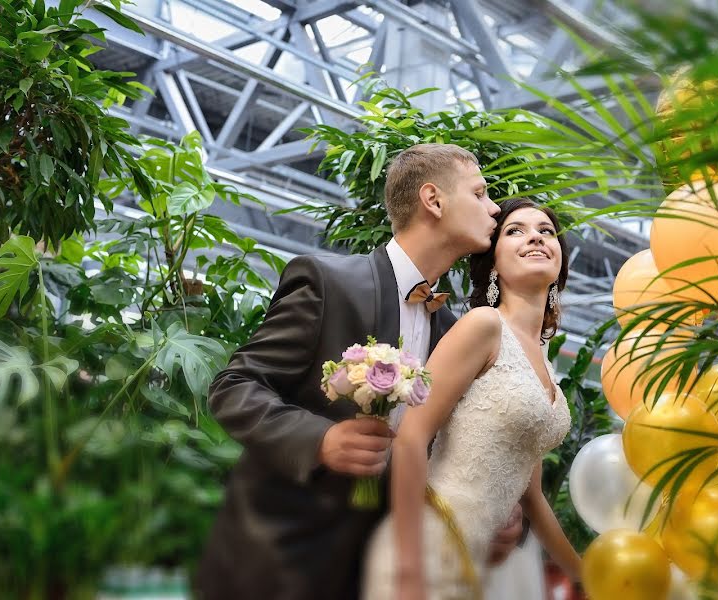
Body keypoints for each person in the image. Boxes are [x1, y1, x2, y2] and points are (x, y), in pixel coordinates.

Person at [195, 143, 512, 600]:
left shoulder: (454, 332)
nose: (494, 208)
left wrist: (490, 513)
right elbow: (235, 386)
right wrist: (320, 440)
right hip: (286, 558)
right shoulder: (328, 282)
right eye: (480, 193)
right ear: (433, 200)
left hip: (384, 568)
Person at [361, 198, 583, 600]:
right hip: (429, 549)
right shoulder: (483, 326)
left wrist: (585, 575)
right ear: (494, 264)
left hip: (484, 565)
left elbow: (530, 495)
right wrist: (410, 566)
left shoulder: (547, 367)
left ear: (560, 264)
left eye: (546, 232)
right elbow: (412, 437)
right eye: (515, 231)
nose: (535, 236)